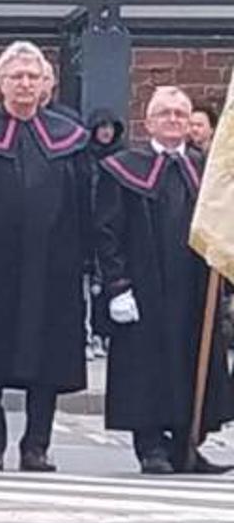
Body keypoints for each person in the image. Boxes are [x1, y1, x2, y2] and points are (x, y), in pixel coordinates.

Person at [0, 40, 91, 473]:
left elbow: (82, 206)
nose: (25, 84)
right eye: (16, 76)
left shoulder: (69, 138)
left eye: (32, 76)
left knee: (46, 359)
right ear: (1, 82)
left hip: (53, 268)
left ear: (45, 83)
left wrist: (85, 267)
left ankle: (37, 445)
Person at [95, 86, 232, 475]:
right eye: (165, 113)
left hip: (192, 286)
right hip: (145, 286)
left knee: (192, 362)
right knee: (148, 367)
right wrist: (117, 286)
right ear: (149, 121)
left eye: (180, 114)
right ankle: (151, 446)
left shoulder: (203, 170)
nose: (173, 120)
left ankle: (188, 443)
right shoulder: (122, 168)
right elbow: (106, 232)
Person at [84, 108, 127, 362]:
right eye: (102, 127)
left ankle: (106, 333)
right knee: (90, 287)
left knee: (109, 282)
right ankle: (91, 335)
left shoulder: (122, 157)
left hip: (112, 224)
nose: (106, 132)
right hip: (88, 224)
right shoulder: (85, 157)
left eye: (110, 127)